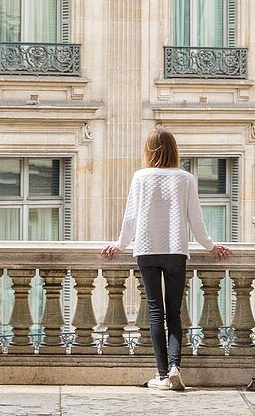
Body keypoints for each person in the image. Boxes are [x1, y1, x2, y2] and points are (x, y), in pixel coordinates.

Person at [101, 127, 230, 392]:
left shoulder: (141, 177)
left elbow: (131, 217)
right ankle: (174, 368)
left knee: (155, 312)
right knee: (174, 313)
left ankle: (161, 374)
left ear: (149, 150)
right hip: (175, 251)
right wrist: (210, 245)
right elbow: (196, 220)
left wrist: (119, 244)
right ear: (174, 150)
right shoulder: (185, 179)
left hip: (147, 251)